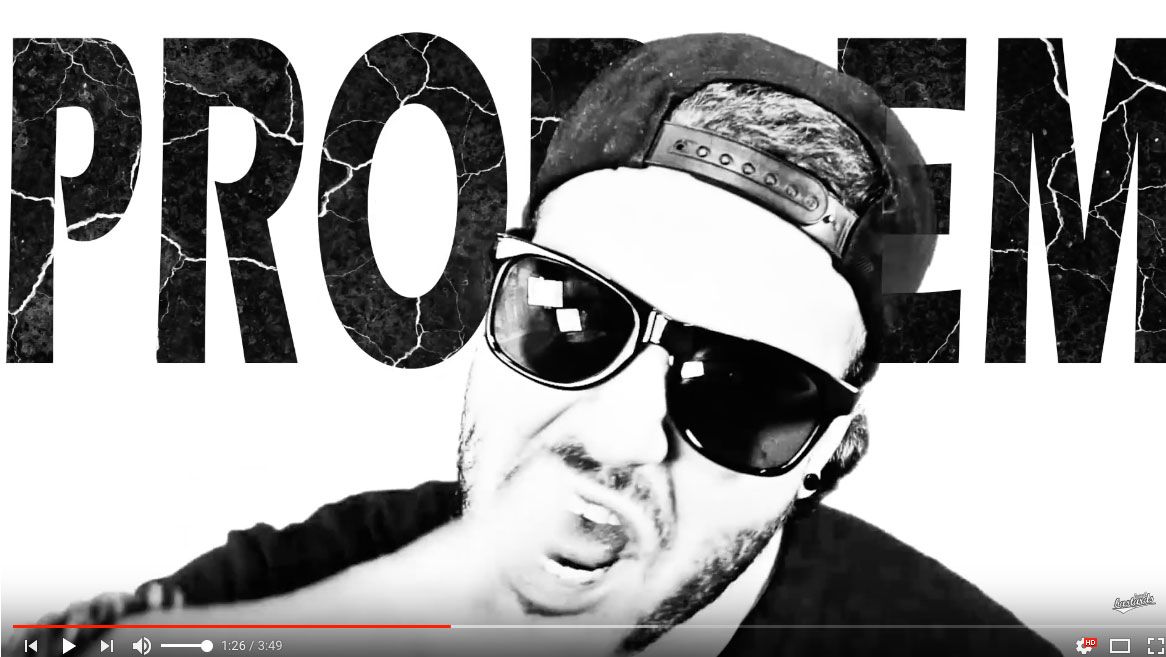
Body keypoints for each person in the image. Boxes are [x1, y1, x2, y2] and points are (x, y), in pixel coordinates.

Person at [4, 33, 1059, 657]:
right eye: (572, 317)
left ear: (830, 456)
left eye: (743, 391)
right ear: (488, 310)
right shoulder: (323, 576)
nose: (621, 435)